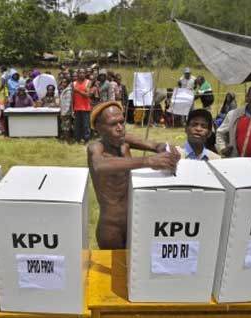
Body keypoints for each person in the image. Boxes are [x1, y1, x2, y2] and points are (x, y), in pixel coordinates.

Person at [88, 101, 180, 249]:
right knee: (115, 270)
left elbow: (155, 145)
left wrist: (167, 149)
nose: (119, 128)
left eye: (121, 123)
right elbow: (99, 165)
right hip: (111, 226)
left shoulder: (125, 141)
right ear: (99, 128)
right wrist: (147, 161)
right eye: (113, 124)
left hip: (134, 221)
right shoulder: (96, 148)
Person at [72, 68, 92, 143]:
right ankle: (77, 139)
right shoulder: (74, 83)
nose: (82, 74)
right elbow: (72, 97)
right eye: (80, 73)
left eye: (83, 73)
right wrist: (72, 108)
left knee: (86, 125)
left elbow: (87, 95)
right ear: (77, 74)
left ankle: (86, 140)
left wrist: (77, 91)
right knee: (77, 125)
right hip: (76, 107)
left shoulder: (88, 82)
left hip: (86, 108)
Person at [59, 78, 73, 143]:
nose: (63, 83)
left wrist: (64, 113)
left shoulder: (68, 91)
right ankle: (65, 139)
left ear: (67, 83)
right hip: (63, 112)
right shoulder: (64, 90)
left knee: (66, 127)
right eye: (62, 82)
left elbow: (68, 103)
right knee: (64, 126)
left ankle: (67, 140)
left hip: (66, 113)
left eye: (65, 82)